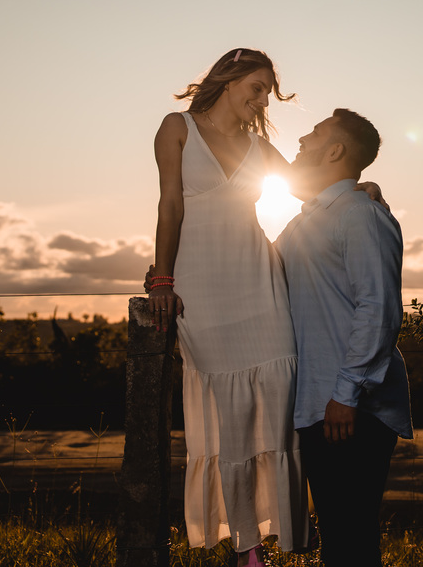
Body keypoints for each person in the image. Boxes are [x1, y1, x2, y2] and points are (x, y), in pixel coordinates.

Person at [142, 49, 382, 567]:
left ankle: (275, 538)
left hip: (261, 282)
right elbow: (170, 204)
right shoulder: (176, 128)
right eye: (255, 88)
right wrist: (163, 278)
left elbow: (310, 185)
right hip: (203, 288)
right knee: (230, 415)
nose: (260, 100)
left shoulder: (259, 146)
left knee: (274, 411)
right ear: (227, 81)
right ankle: (244, 545)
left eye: (266, 93)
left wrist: (361, 184)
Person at [276, 109, 413, 567]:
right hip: (319, 404)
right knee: (337, 538)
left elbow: (378, 310)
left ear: (335, 150)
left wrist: (346, 394)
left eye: (313, 134)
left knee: (351, 540)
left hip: (350, 409)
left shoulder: (360, 216)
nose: (301, 138)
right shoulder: (300, 225)